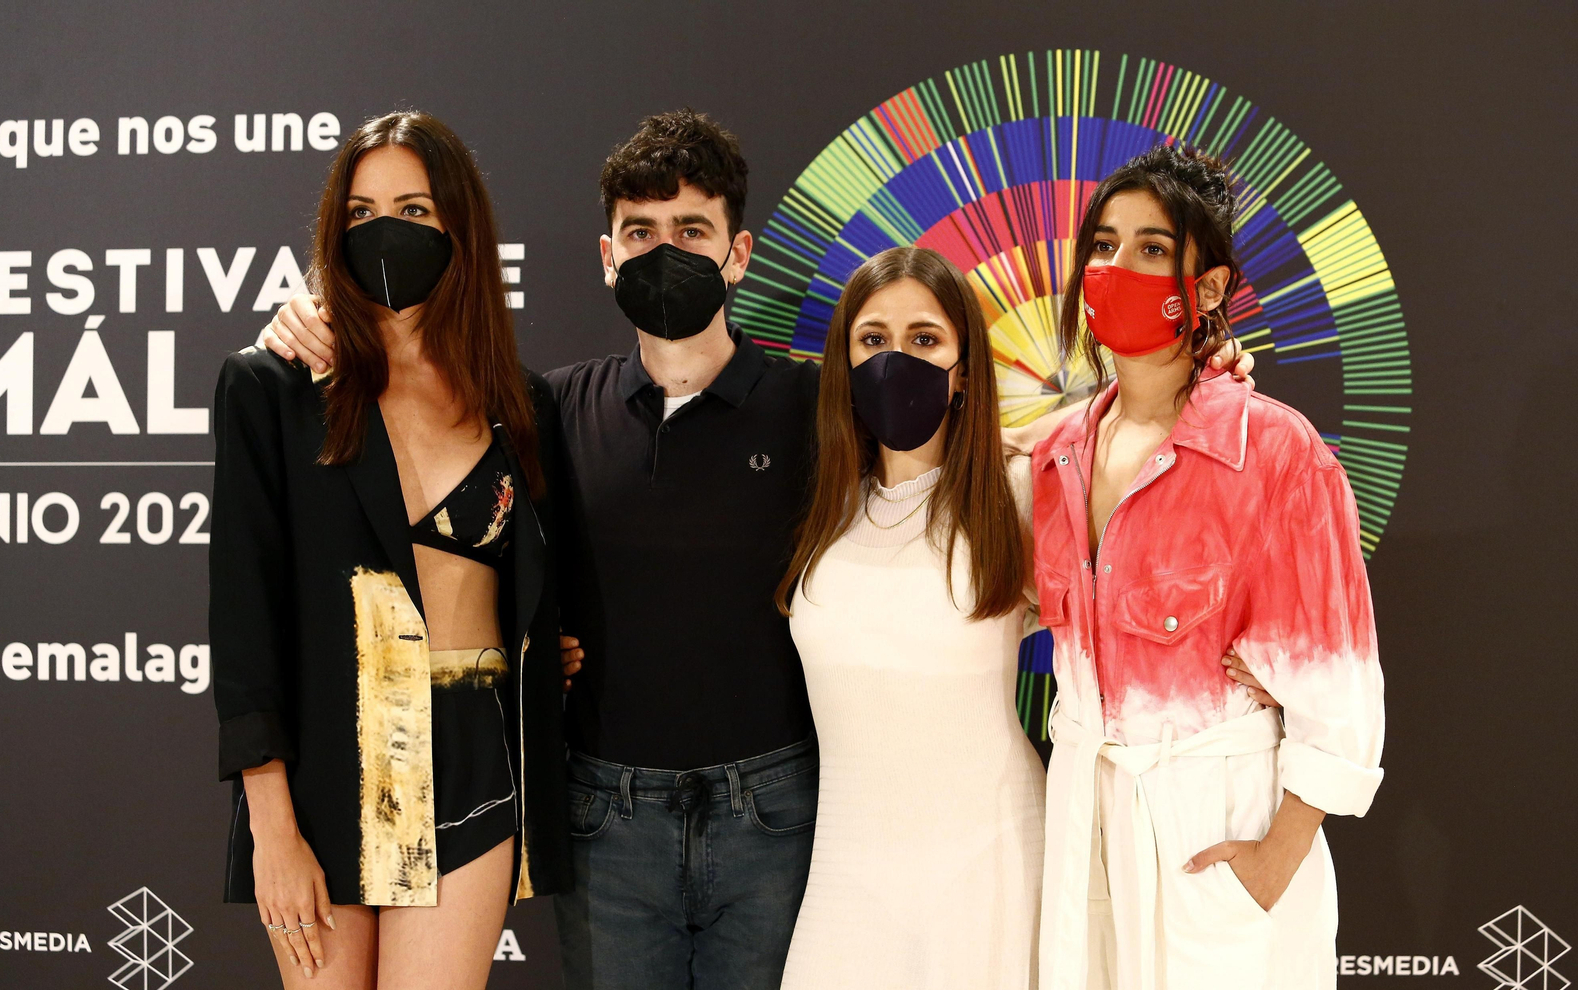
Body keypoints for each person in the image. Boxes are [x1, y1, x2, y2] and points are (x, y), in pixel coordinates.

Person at [254, 111, 1268, 990]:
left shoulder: (818, 409)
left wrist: (1190, 376)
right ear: (605, 256)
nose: (665, 253)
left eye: (692, 231)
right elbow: (422, 429)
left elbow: (991, 453)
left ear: (738, 254)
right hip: (606, 814)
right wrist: (314, 317)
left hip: (776, 814)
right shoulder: (545, 408)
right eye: (640, 233)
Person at [209, 111, 570, 990]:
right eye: (362, 213)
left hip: (478, 759)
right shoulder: (274, 386)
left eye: (414, 209)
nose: (385, 232)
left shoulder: (518, 405)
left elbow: (544, 587)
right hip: (329, 768)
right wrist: (272, 831)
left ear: (459, 226)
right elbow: (245, 622)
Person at [1028, 145, 1385, 988]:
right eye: (1104, 246)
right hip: (1086, 820)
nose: (1118, 267)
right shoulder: (1059, 454)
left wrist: (1273, 860)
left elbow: (1339, 687)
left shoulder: (1273, 450)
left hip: (1216, 824)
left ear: (1211, 285)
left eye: (1153, 249)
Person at [775, 247, 1046, 988]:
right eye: (873, 340)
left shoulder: (1014, 493)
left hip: (988, 865)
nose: (896, 362)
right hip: (846, 871)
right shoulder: (825, 504)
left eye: (925, 340)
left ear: (964, 370)